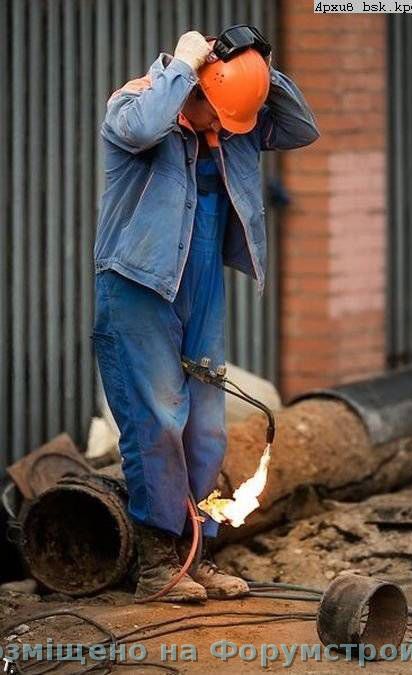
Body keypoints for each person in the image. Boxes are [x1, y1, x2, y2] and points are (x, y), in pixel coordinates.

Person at [92, 29, 319, 603]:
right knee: (158, 421)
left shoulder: (232, 124)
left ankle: (197, 555)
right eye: (216, 113)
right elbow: (141, 129)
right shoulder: (137, 106)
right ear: (193, 88)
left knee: (206, 428)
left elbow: (301, 128)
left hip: (201, 286)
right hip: (138, 286)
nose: (224, 128)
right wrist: (185, 65)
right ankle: (157, 565)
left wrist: (258, 70)